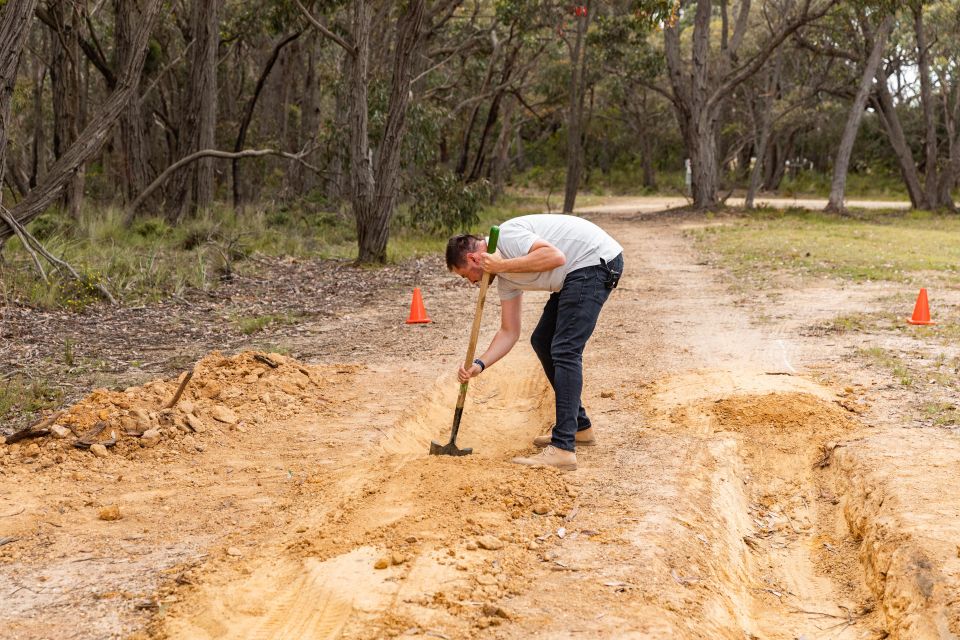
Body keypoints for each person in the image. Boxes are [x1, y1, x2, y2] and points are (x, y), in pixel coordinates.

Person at [446, 214, 624, 471]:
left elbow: (555, 257)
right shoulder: (504, 279)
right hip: (575, 274)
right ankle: (579, 427)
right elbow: (509, 331)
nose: (472, 282)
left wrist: (500, 266)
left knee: (565, 349)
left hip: (594, 262)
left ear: (475, 259)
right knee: (542, 340)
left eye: (466, 275)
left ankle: (563, 449)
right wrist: (479, 364)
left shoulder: (507, 236)